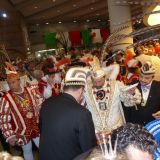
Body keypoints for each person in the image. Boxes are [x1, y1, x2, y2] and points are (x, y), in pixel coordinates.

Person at [39, 67, 97, 160]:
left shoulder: (47, 103)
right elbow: (89, 149)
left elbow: (43, 131)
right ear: (81, 90)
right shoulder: (82, 113)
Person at [84, 56, 141, 133]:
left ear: (105, 77)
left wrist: (132, 93)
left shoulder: (116, 85)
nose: (97, 84)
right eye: (94, 81)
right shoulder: (86, 89)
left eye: (99, 81)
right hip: (95, 130)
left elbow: (129, 102)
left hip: (116, 128)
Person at [0, 63, 43, 160]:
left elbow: (40, 103)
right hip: (21, 131)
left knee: (43, 147)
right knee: (27, 151)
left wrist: (38, 109)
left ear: (19, 81)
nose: (11, 85)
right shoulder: (6, 99)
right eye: (9, 83)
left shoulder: (31, 90)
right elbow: (3, 119)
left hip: (35, 126)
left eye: (13, 82)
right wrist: (9, 136)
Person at [125, 61, 160, 125]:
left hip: (153, 125)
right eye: (141, 76)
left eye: (147, 78)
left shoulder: (158, 86)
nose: (143, 80)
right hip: (135, 125)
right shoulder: (130, 86)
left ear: (153, 77)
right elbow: (126, 109)